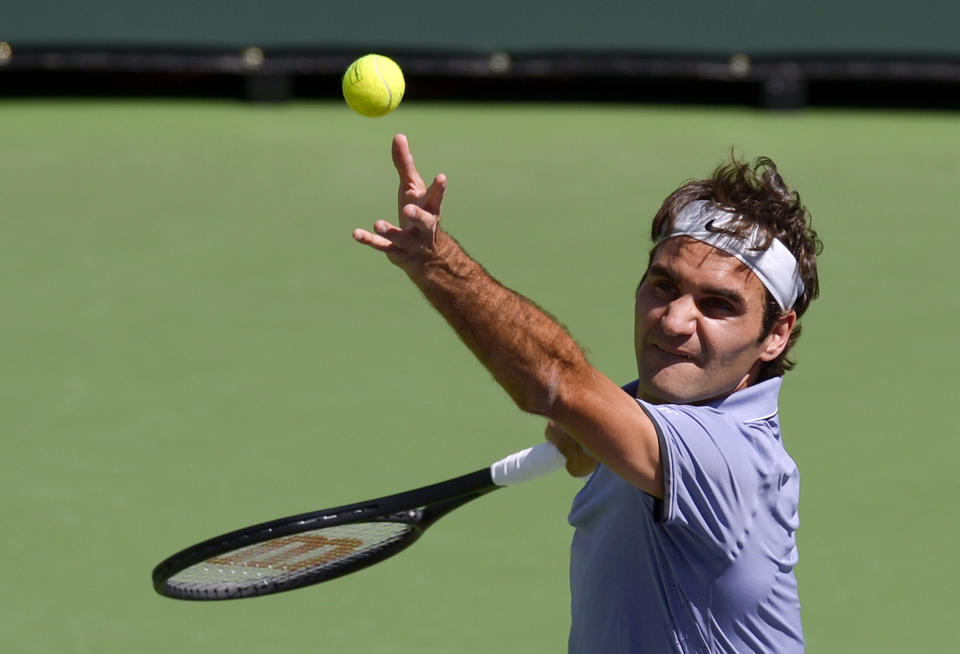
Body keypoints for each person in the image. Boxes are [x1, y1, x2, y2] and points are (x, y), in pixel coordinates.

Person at [353, 133, 821, 653]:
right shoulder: (650, 415)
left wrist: (435, 262)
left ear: (776, 334)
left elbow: (557, 382)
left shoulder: (731, 458)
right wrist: (583, 435)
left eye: (717, 305)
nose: (675, 320)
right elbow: (576, 438)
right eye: (664, 286)